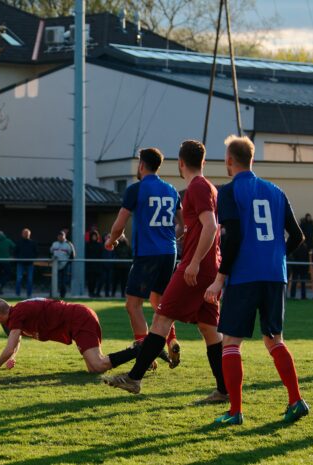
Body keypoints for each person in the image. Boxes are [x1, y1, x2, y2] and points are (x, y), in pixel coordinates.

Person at [102, 140, 225, 402]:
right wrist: (183, 236)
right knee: (209, 328)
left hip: (192, 266)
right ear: (202, 161)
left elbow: (211, 226)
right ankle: (224, 389)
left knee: (159, 317)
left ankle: (134, 378)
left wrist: (192, 262)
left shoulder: (197, 187)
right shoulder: (185, 190)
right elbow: (191, 225)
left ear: (181, 163)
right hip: (192, 261)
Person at [205, 134, 308, 425]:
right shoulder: (275, 190)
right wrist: (276, 255)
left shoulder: (227, 191)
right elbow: (298, 236)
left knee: (231, 342)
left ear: (229, 160)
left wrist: (219, 279)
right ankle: (295, 400)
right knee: (274, 338)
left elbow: (233, 237)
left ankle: (235, 411)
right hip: (275, 275)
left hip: (245, 275)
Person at [104, 147, 181, 359]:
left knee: (133, 304)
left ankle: (143, 353)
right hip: (169, 252)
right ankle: (171, 338)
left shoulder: (135, 190)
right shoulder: (172, 190)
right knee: (159, 301)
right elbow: (182, 226)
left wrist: (112, 240)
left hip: (148, 254)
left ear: (141, 165)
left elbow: (119, 224)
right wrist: (169, 240)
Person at [0, 298, 141, 374]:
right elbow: (16, 339)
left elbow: (10, 344)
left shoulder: (17, 315)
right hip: (77, 318)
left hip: (79, 318)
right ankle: (137, 350)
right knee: (94, 369)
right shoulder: (17, 311)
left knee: (98, 365)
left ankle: (138, 349)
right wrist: (14, 356)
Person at [50, 231, 75, 298]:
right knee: (54, 280)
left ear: (65, 236)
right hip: (55, 266)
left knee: (63, 281)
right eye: (59, 236)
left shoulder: (68, 244)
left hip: (65, 265)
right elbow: (51, 253)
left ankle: (62, 296)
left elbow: (72, 255)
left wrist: (67, 263)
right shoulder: (54, 244)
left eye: (62, 236)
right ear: (57, 237)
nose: (60, 237)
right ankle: (52, 294)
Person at [14, 228, 37, 298]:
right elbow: (15, 252)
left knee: (30, 279)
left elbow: (36, 252)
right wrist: (18, 258)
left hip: (30, 264)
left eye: (27, 233)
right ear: (22, 234)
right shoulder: (19, 242)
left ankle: (29, 295)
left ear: (29, 234)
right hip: (20, 263)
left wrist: (32, 258)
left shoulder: (33, 243)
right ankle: (17, 294)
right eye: (24, 233)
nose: (26, 235)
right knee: (19, 279)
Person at [85, 230, 104, 297]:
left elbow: (102, 254)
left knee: (99, 281)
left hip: (98, 266)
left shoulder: (100, 245)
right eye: (93, 236)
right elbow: (86, 254)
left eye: (95, 236)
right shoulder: (87, 245)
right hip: (90, 266)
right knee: (91, 281)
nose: (94, 237)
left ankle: (97, 293)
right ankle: (91, 293)